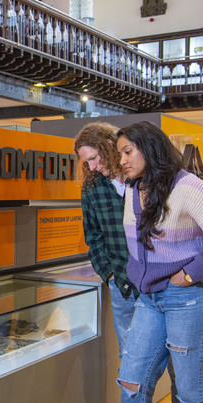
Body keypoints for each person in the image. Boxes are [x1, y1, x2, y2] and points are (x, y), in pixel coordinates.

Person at [116, 121, 203, 403]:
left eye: (128, 151)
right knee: (131, 380)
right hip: (149, 300)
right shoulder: (133, 188)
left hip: (191, 300)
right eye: (119, 154)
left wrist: (189, 274)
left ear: (150, 149)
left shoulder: (188, 186)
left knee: (188, 392)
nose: (122, 160)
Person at [74, 122, 139, 359]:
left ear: (109, 146)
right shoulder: (91, 189)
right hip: (122, 284)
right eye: (86, 163)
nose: (91, 167)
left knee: (173, 357)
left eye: (93, 158)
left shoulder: (142, 180)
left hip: (157, 284)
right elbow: (93, 236)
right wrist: (109, 275)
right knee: (130, 360)